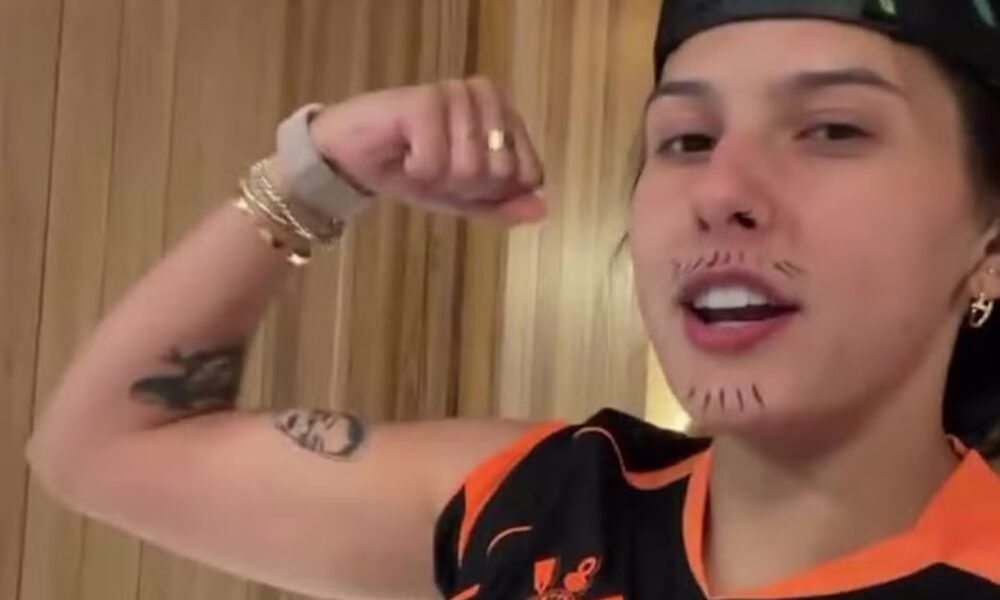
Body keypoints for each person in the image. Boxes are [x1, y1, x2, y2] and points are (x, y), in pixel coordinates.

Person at [26, 1, 1000, 598]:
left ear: (989, 250)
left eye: (832, 130)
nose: (721, 190)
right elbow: (101, 452)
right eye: (685, 140)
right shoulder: (541, 506)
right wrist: (319, 172)